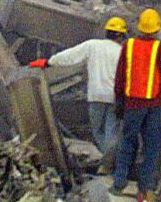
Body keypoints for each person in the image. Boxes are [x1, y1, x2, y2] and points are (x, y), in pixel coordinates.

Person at [28, 17, 129, 170]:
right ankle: (113, 161)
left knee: (97, 130)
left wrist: (48, 62)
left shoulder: (93, 45)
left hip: (96, 97)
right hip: (115, 98)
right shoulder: (124, 52)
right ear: (121, 36)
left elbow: (70, 56)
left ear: (107, 32)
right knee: (112, 132)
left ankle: (109, 161)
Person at [113, 8, 161, 202]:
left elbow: (120, 76)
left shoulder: (128, 46)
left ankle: (119, 183)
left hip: (133, 103)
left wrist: (119, 100)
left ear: (140, 28)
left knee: (127, 142)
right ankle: (145, 187)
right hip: (155, 105)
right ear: (157, 29)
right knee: (151, 147)